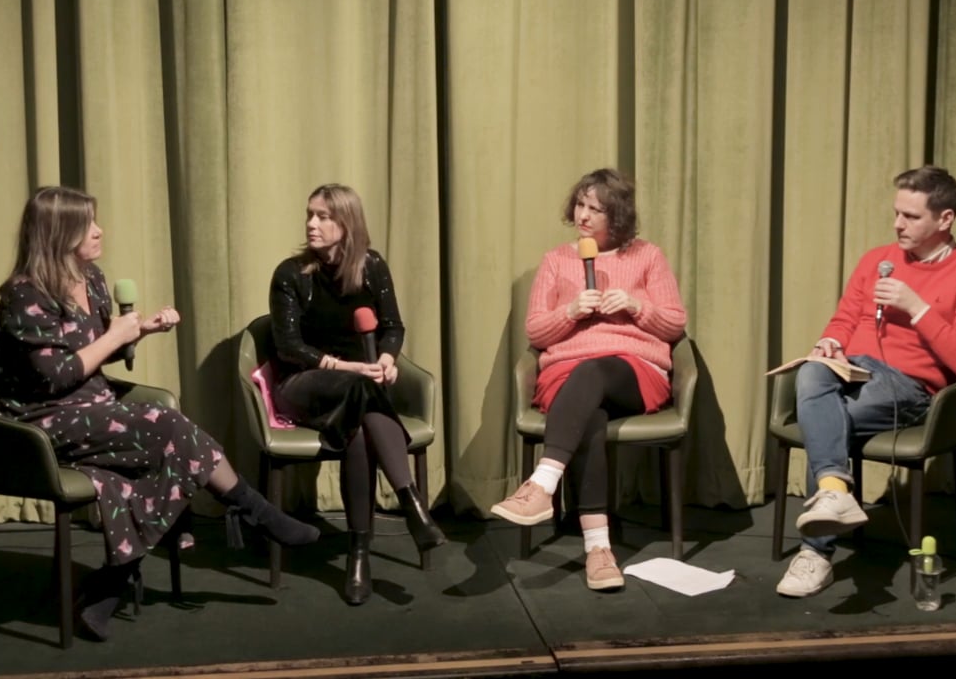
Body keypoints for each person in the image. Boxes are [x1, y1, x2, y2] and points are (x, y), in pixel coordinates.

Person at [0, 186, 320, 641]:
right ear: (59, 231)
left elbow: (95, 354)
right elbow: (55, 375)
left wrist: (139, 331)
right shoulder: (23, 295)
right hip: (38, 420)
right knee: (167, 426)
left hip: (92, 406)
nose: (99, 231)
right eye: (89, 224)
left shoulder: (91, 278)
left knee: (160, 447)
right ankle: (254, 510)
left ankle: (113, 583)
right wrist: (114, 336)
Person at [775, 165, 956, 598]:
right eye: (897, 213)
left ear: (945, 219)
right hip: (852, 369)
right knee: (812, 371)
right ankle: (835, 492)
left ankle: (816, 553)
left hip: (909, 388)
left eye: (911, 217)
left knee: (821, 418)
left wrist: (917, 307)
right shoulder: (877, 261)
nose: (898, 224)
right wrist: (829, 342)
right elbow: (845, 318)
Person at [490, 168, 688, 591]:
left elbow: (673, 326)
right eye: (580, 205)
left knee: (595, 370)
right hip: (567, 375)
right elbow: (536, 332)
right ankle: (599, 550)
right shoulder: (557, 261)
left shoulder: (647, 256)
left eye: (595, 209)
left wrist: (637, 306)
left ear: (616, 216)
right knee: (590, 417)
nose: (583, 216)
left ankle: (542, 483)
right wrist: (571, 311)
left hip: (632, 371)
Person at [268, 183, 446, 606]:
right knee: (361, 390)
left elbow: (393, 326)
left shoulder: (373, 266)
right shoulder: (291, 274)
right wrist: (349, 367)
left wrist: (387, 358)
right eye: (310, 214)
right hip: (304, 384)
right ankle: (411, 503)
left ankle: (358, 555)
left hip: (359, 390)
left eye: (324, 216)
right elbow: (289, 347)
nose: (312, 223)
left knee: (360, 432)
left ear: (347, 225)